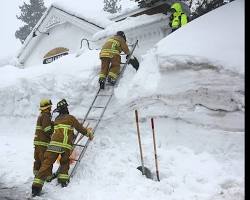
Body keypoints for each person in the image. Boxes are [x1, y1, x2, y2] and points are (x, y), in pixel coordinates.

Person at [32, 99, 94, 197]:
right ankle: (63, 181)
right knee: (64, 162)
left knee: (46, 164)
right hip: (65, 146)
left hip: (53, 145)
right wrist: (88, 134)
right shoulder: (71, 118)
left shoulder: (56, 120)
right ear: (66, 108)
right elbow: (80, 129)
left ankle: (36, 187)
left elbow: (57, 131)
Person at [33, 99, 53, 180]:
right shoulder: (45, 116)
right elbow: (47, 129)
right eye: (50, 107)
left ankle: (36, 174)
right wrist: (53, 132)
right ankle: (47, 177)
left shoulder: (41, 115)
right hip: (43, 143)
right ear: (47, 108)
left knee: (37, 160)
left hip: (38, 143)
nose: (51, 108)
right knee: (46, 161)